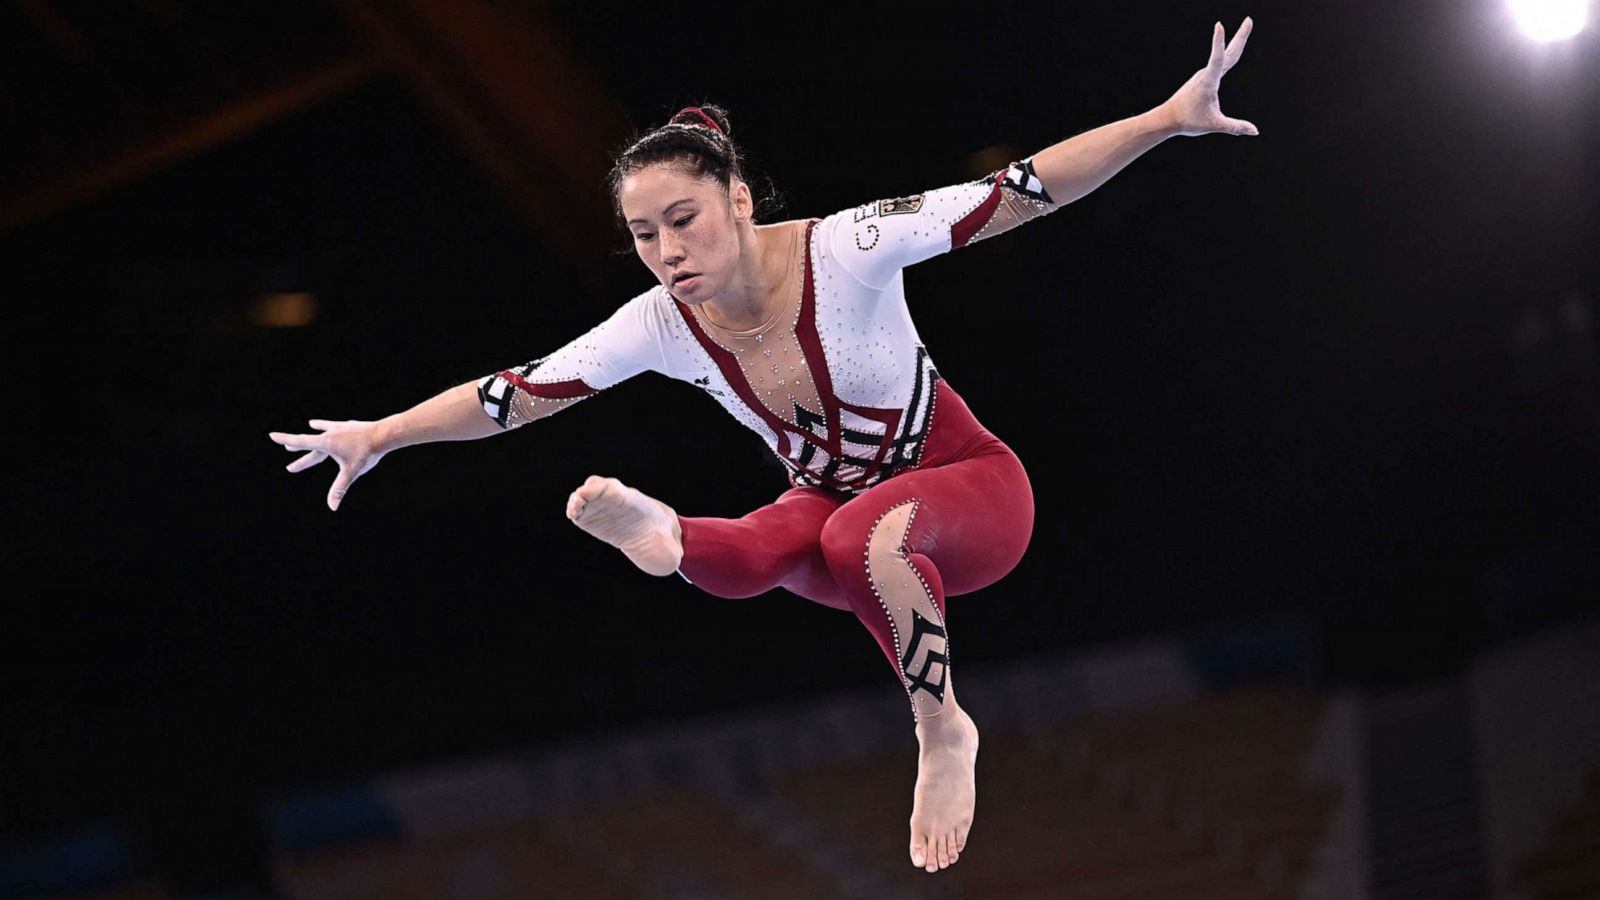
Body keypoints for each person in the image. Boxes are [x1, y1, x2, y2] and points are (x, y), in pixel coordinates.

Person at [270, 18, 1258, 874]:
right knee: (762, 548)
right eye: (644, 235)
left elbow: (1024, 189)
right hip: (831, 522)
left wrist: (1165, 120)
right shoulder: (656, 324)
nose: (666, 253)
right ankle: (664, 540)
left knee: (852, 536)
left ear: (738, 201)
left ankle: (939, 722)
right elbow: (513, 395)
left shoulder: (848, 248)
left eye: (683, 221)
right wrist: (382, 434)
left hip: (968, 492)